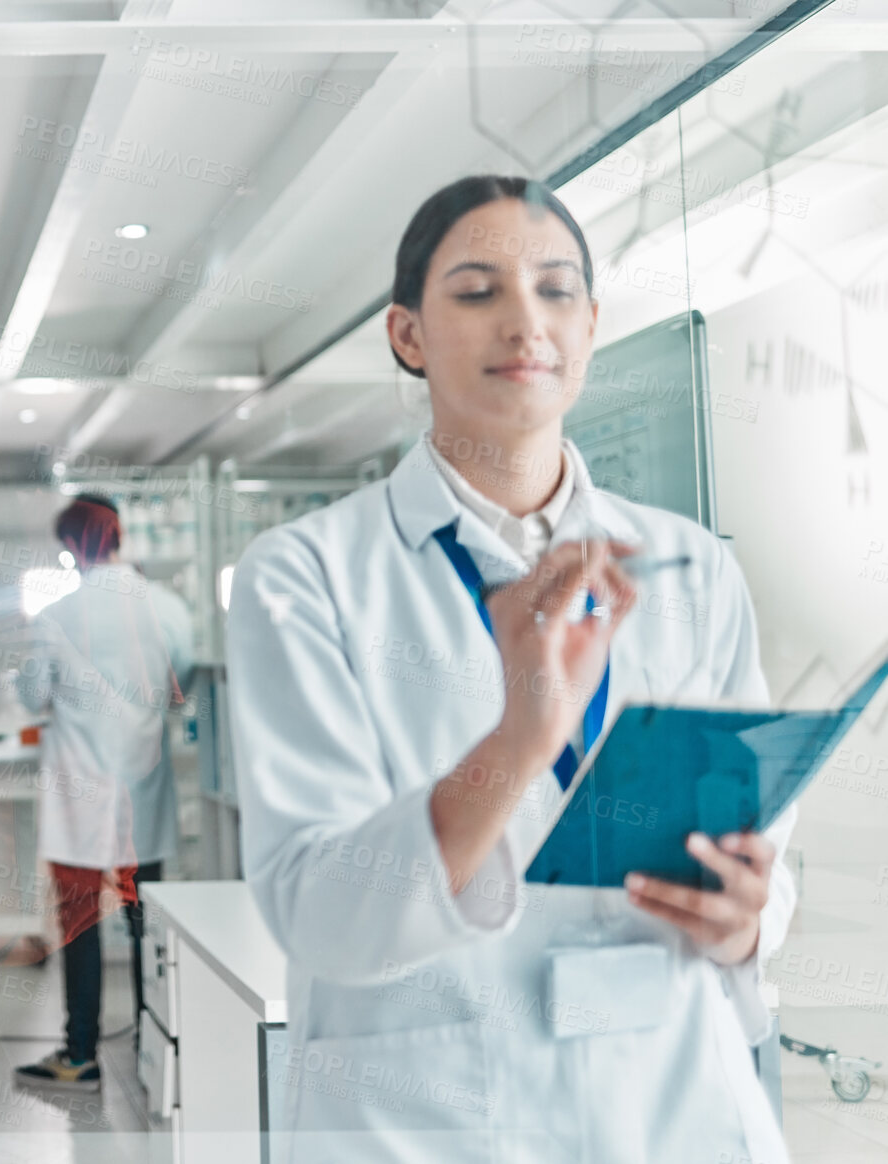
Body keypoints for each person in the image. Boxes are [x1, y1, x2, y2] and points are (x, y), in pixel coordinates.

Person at [226, 174, 795, 1162]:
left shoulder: (688, 565)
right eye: (477, 290)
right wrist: (517, 741)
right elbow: (317, 908)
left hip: (671, 1096)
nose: (524, 321)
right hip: (432, 1112)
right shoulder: (306, 575)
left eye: (556, 289)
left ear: (589, 326)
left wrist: (749, 917)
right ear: (407, 335)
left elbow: (755, 846)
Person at [13, 495, 194, 1092]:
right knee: (150, 925)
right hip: (144, 792)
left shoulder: (58, 613)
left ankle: (80, 1053)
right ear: (119, 536)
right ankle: (154, 1041)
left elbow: (33, 696)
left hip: (79, 796)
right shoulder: (166, 607)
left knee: (80, 925)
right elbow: (180, 685)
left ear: (71, 547)